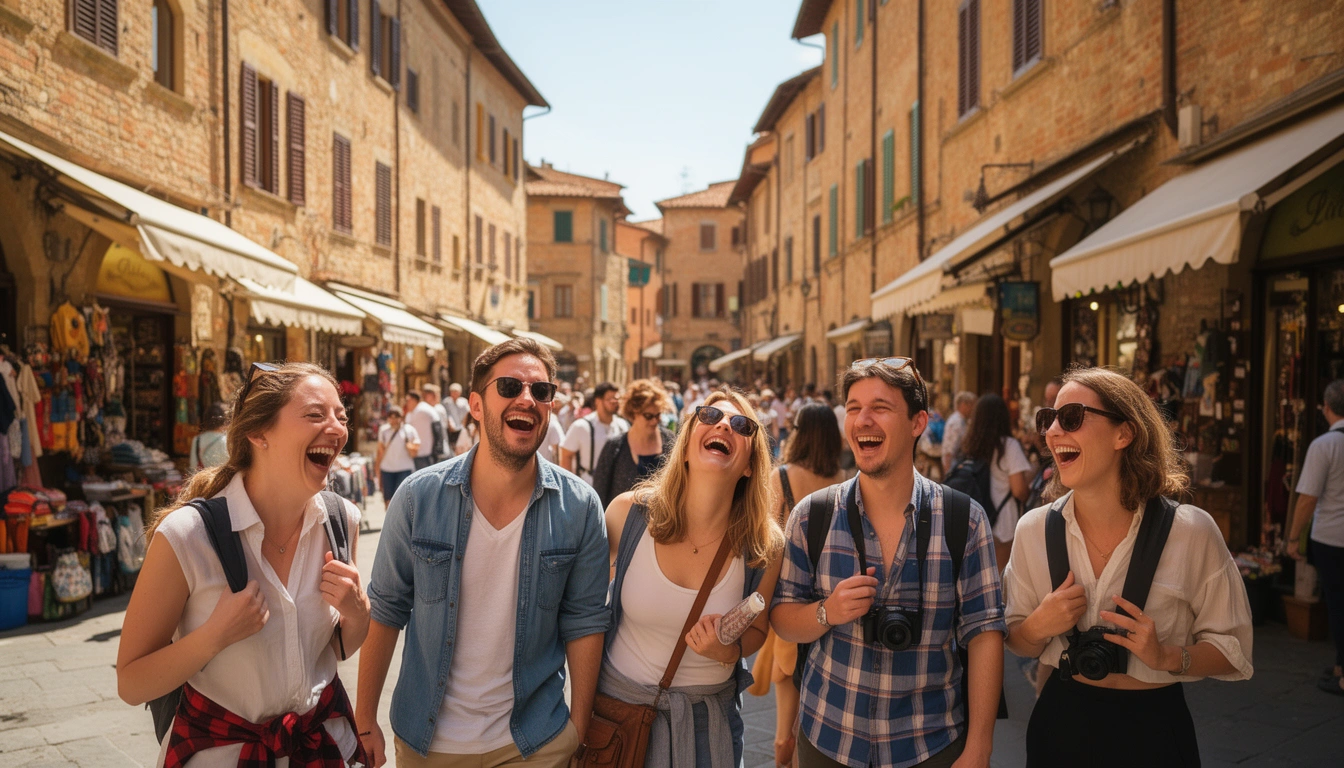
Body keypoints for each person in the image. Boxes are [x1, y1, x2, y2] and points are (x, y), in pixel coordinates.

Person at [356, 339, 610, 768]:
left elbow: (585, 622)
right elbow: (385, 609)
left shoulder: (580, 507)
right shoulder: (419, 497)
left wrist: (579, 734)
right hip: (428, 742)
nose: (527, 399)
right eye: (509, 387)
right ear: (476, 404)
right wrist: (365, 719)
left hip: (537, 742)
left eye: (541, 391)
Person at [117, 362, 370, 766]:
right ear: (258, 433)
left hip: (323, 749)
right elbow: (131, 682)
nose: (337, 428)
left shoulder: (343, 521)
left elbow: (331, 651)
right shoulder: (186, 535)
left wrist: (358, 615)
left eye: (341, 416)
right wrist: (213, 636)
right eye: (315, 414)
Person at [1004, 367, 1253, 767]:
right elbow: (1016, 639)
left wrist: (1168, 657)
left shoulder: (1191, 532)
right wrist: (1037, 626)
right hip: (1061, 723)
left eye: (1071, 418)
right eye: (1047, 419)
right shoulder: (1033, 530)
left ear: (1124, 433)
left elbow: (1234, 649)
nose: (1051, 432)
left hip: (1154, 730)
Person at [773, 358, 1006, 768]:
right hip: (829, 738)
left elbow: (985, 633)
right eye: (853, 407)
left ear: (918, 423)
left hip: (931, 743)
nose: (863, 419)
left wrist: (980, 747)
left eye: (880, 407)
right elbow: (783, 618)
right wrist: (829, 611)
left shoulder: (964, 520)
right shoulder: (812, 516)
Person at [601, 390, 785, 766]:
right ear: (684, 447)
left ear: (750, 464)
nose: (723, 424)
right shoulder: (627, 514)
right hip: (617, 721)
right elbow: (583, 614)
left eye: (741, 425)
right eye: (710, 415)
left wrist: (728, 652)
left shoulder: (765, 545)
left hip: (706, 730)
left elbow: (758, 630)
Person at [750, 402, 844, 768]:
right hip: (831, 596)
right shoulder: (843, 477)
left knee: (785, 694)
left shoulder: (783, 477)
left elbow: (767, 542)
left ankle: (783, 755)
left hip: (791, 597)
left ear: (800, 433)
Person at [1289, 378, 1344, 696]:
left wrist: (1294, 537)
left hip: (1332, 537)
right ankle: (1339, 664)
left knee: (1338, 606)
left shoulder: (1324, 445)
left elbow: (1307, 498)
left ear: (1326, 409)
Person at [961, 393, 1033, 572]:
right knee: (1000, 579)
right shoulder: (1009, 446)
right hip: (1003, 524)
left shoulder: (972, 445)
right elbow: (1019, 491)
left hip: (977, 517)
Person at [591, 378, 675, 508]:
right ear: (633, 413)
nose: (654, 421)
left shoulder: (670, 441)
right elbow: (599, 494)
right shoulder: (614, 447)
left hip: (664, 524)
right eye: (648, 416)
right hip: (622, 525)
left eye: (658, 415)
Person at [559, 381, 628, 484]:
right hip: (589, 484)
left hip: (615, 486)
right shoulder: (582, 426)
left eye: (617, 398)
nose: (615, 402)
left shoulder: (622, 426)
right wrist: (568, 486)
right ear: (598, 401)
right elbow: (566, 455)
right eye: (610, 399)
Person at [375, 406, 419, 504]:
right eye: (391, 417)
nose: (393, 420)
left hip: (404, 469)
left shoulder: (409, 430)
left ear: (401, 418)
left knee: (402, 499)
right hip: (387, 469)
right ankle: (389, 519)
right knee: (388, 499)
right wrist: (377, 469)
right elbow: (380, 451)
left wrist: (408, 445)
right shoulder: (383, 430)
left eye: (396, 417)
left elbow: (416, 450)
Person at [404, 390, 442, 470]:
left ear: (414, 400)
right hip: (417, 454)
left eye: (408, 401)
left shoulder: (422, 410)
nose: (406, 403)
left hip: (424, 455)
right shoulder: (413, 412)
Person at [189, 402, 230, 472]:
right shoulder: (227, 441)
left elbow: (193, 467)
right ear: (225, 421)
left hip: (203, 481)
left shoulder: (197, 440)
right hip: (223, 481)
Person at [421, 383, 452, 460]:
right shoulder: (424, 409)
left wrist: (439, 449)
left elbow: (441, 431)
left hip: (438, 451)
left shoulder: (438, 409)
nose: (438, 397)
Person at [443, 382, 470, 451]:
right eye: (452, 392)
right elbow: (446, 414)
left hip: (461, 427)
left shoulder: (463, 401)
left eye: (456, 392)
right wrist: (449, 424)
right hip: (452, 428)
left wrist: (464, 424)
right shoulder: (446, 402)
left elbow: (467, 413)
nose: (454, 394)